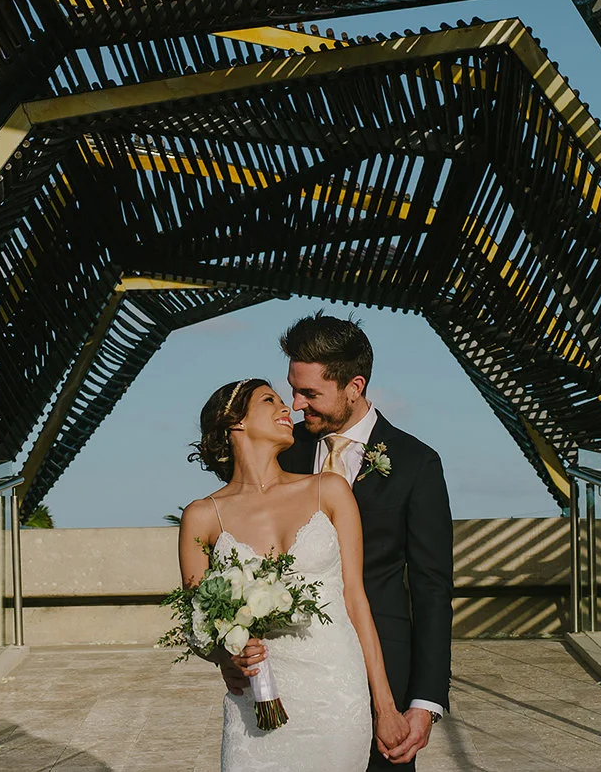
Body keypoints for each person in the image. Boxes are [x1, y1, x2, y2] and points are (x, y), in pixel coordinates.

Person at [225, 314, 454, 769]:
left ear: (354, 385)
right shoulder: (283, 451)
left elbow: (432, 588)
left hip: (383, 673)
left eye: (310, 393)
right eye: (293, 389)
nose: (296, 404)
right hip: (289, 671)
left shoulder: (416, 463)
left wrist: (425, 702)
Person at [179, 378, 410, 771]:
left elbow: (355, 599)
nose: (287, 408)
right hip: (257, 698)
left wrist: (385, 707)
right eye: (269, 400)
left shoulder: (330, 489)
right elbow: (197, 620)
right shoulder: (202, 516)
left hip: (336, 691)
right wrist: (226, 658)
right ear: (234, 422)